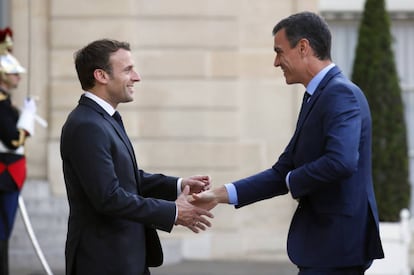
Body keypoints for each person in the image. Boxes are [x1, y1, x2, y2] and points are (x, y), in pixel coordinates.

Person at [193, 11, 384, 275]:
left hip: (337, 247)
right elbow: (281, 171)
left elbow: (341, 161)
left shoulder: (339, 93)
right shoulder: (316, 97)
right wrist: (218, 195)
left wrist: (292, 181)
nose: (275, 62)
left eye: (279, 51)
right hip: (325, 247)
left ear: (303, 47)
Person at [60, 39, 214, 275]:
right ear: (101, 75)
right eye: (128, 70)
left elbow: (127, 179)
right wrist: (172, 212)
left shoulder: (103, 119)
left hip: (124, 256)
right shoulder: (87, 125)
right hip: (104, 261)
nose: (137, 77)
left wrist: (178, 184)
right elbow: (108, 197)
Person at [0, 27, 36, 275]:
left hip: (8, 174)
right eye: (14, 74)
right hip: (6, 174)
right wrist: (28, 118)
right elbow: (13, 140)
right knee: (2, 230)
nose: (18, 78)